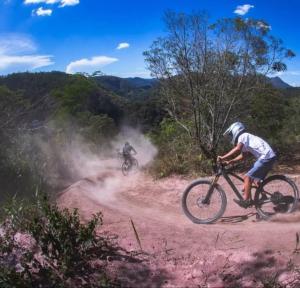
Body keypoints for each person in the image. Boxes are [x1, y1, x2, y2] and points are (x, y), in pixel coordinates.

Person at [217, 122, 277, 208]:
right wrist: (231, 161)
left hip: (266, 157)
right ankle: (263, 197)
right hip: (268, 157)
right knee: (254, 180)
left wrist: (223, 157)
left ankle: (246, 200)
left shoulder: (243, 136)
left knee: (248, 177)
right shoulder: (246, 138)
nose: (231, 136)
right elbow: (243, 155)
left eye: (231, 134)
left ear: (235, 130)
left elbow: (237, 149)